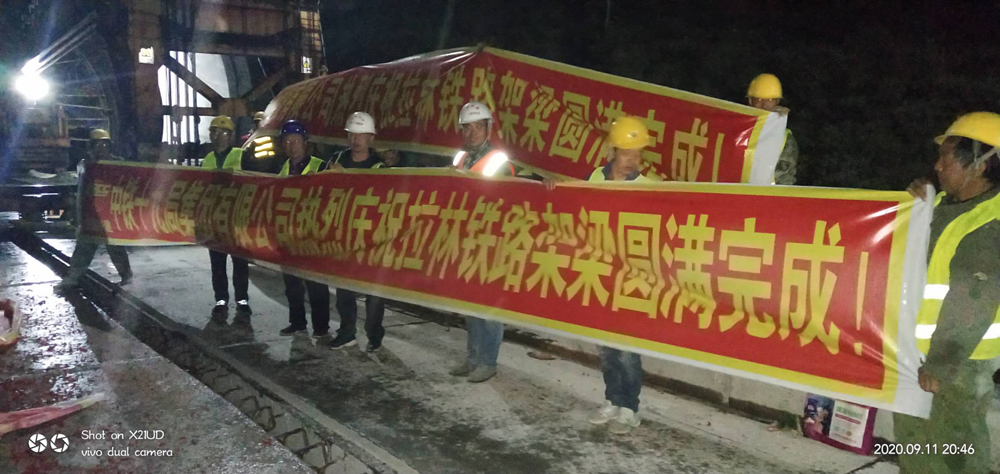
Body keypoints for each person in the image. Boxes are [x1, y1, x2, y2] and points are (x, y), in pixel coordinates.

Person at [896, 111, 1000, 474]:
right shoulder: (942, 206)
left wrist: (942, 363)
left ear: (980, 166)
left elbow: (973, 301)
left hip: (959, 363)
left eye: (947, 158)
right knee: (915, 446)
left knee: (955, 453)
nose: (937, 166)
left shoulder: (990, 222)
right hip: (919, 352)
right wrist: (916, 202)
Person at [568, 116, 652, 435]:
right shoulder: (593, 178)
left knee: (628, 351)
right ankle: (612, 400)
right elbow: (573, 209)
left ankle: (630, 408)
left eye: (638, 153)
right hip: (600, 277)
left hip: (630, 282)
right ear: (613, 151)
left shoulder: (651, 189)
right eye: (628, 153)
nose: (634, 160)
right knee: (605, 349)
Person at [447, 101, 515, 384]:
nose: (472, 132)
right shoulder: (460, 159)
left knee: (488, 307)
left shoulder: (500, 161)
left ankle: (488, 361)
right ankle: (473, 357)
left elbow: (506, 204)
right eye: (467, 127)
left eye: (478, 126)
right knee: (470, 304)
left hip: (490, 244)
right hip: (465, 241)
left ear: (489, 128)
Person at [325, 112, 387, 352]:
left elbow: (380, 199)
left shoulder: (379, 167)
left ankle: (374, 334)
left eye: (361, 135)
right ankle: (347, 332)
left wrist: (346, 178)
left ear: (371, 137)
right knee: (344, 291)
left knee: (374, 293)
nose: (356, 139)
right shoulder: (336, 159)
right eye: (352, 134)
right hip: (344, 236)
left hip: (371, 237)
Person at [54, 129, 132, 291]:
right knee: (84, 247)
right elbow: (81, 191)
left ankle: (127, 276)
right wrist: (77, 216)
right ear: (91, 147)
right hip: (92, 214)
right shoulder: (86, 165)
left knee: (116, 247)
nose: (101, 148)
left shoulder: (118, 164)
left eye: (104, 144)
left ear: (109, 146)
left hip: (110, 214)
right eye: (97, 145)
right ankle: (72, 278)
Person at [274, 120, 331, 338]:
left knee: (316, 285)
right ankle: (297, 322)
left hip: (312, 235)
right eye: (287, 141)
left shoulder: (321, 166)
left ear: (305, 142)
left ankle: (321, 327)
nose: (292, 145)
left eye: (296, 140)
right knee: (292, 284)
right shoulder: (283, 169)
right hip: (288, 235)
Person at [201, 116, 251, 320]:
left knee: (240, 264)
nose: (217, 136)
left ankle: (242, 300)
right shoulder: (208, 159)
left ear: (231, 136)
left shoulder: (242, 156)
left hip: (236, 220)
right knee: (218, 265)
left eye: (222, 132)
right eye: (214, 132)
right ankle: (221, 300)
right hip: (215, 221)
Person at [747, 73, 798, 185]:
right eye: (759, 99)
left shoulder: (785, 138)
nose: (764, 105)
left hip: (770, 193)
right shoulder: (740, 130)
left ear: (777, 102)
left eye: (770, 100)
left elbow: (785, 179)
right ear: (750, 101)